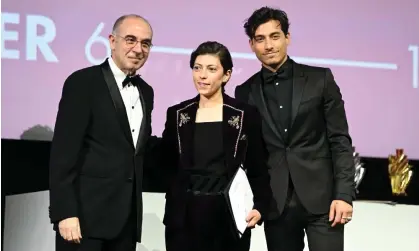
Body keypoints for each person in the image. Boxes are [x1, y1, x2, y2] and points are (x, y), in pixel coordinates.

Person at [235, 7, 356, 251]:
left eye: (275, 36)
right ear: (251, 44)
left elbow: (340, 140)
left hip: (324, 202)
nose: (269, 45)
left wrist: (343, 195)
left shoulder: (320, 79)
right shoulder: (244, 92)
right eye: (261, 39)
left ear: (287, 38)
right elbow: (252, 155)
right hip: (276, 204)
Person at [49, 14, 155, 251]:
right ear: (112, 41)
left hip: (126, 223)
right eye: (130, 40)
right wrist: (64, 212)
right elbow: (63, 153)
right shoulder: (82, 83)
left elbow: (134, 149)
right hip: (84, 221)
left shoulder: (146, 92)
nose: (138, 49)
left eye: (145, 43)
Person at [158, 41, 272, 251]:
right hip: (184, 217)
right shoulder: (177, 114)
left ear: (226, 75)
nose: (202, 75)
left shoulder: (244, 114)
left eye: (211, 69)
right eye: (197, 68)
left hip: (228, 216)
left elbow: (258, 166)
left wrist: (260, 206)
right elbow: (167, 163)